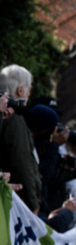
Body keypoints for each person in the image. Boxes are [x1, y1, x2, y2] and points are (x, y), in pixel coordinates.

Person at [0, 64, 42, 213]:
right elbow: (21, 163)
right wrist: (33, 205)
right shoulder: (14, 119)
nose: (29, 94)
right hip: (19, 206)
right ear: (20, 91)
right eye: (29, 89)